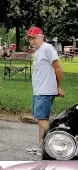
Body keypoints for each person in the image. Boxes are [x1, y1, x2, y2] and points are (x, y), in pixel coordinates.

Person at [25, 26, 65, 156]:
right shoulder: (38, 51)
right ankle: (40, 148)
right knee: (41, 120)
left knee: (43, 121)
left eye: (34, 37)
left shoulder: (47, 48)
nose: (32, 40)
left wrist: (57, 87)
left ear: (42, 36)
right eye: (30, 38)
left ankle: (55, 146)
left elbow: (59, 70)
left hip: (44, 92)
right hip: (40, 91)